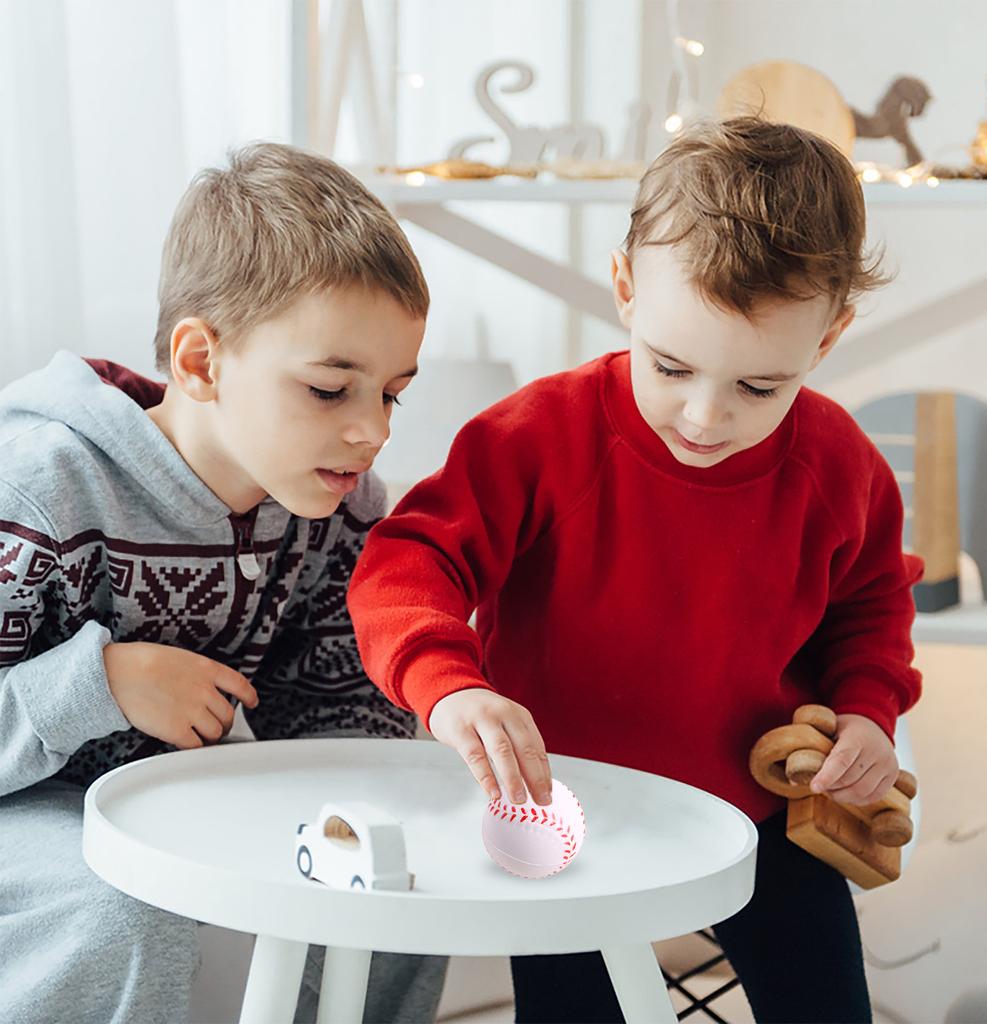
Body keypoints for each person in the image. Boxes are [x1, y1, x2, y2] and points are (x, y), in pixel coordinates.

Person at [347, 117, 923, 1024]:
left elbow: (871, 605)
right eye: (671, 366)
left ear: (828, 338)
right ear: (623, 288)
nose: (703, 416)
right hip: (566, 810)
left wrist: (867, 712)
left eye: (758, 387)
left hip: (767, 811)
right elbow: (410, 560)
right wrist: (447, 685)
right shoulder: (540, 437)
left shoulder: (840, 465)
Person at [0, 142, 447, 1024]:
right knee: (121, 914)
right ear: (201, 363)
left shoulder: (342, 513)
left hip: (173, 811)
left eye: (392, 394)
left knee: (401, 875)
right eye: (331, 390)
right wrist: (101, 684)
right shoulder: (40, 492)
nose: (373, 432)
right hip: (25, 814)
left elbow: (342, 728)